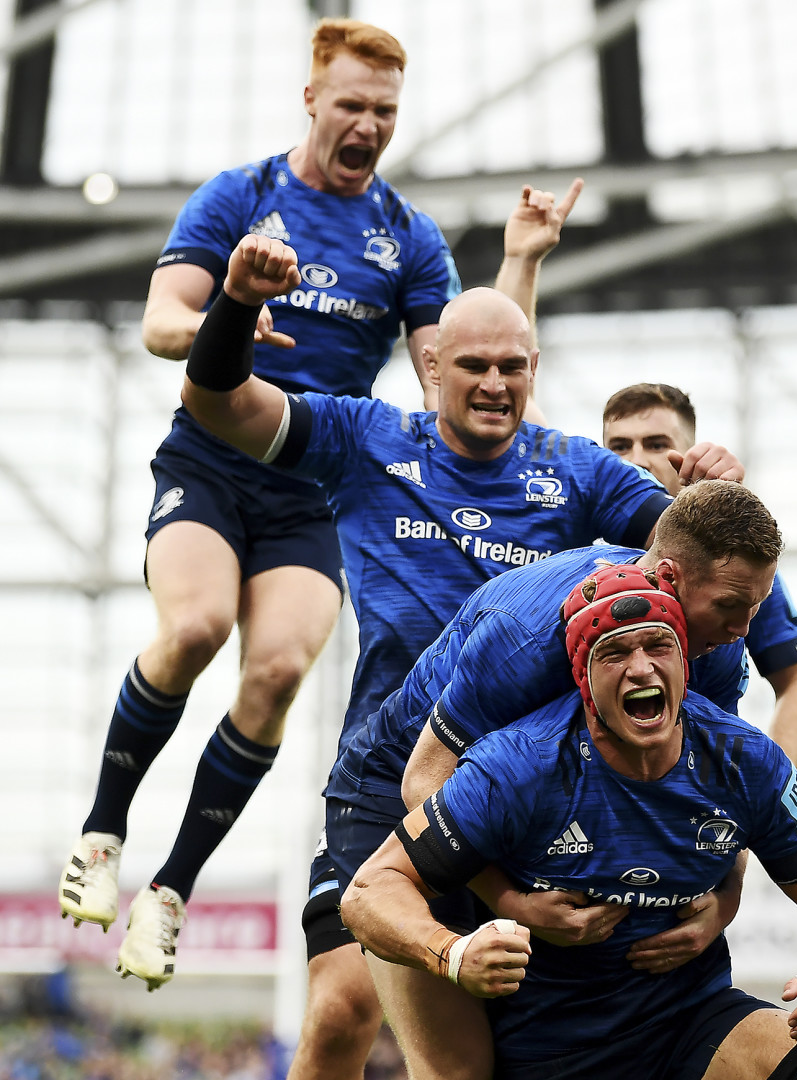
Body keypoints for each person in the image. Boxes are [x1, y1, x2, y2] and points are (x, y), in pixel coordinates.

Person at [56, 16, 578, 1000]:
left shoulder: (408, 238)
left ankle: (170, 889)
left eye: (385, 111)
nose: (368, 125)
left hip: (312, 493)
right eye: (351, 105)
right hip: (213, 463)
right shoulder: (243, 197)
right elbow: (163, 322)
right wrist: (233, 307)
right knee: (199, 626)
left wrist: (520, 266)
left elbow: (463, 376)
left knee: (283, 666)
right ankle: (102, 829)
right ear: (311, 101)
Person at [172, 234, 744, 1078]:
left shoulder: (578, 470)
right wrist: (235, 302)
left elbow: (690, 567)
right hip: (391, 771)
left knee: (501, 1052)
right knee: (340, 1012)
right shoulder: (363, 438)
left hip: (525, 794)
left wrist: (711, 489)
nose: (493, 383)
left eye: (512, 367)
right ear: (430, 364)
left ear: (534, 371)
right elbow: (215, 399)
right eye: (471, 364)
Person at [340, 562, 797, 1080]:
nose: (642, 667)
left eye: (658, 646)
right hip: (547, 1046)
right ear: (583, 677)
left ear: (684, 663)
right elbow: (369, 892)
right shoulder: (519, 766)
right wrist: (453, 953)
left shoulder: (746, 760)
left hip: (693, 1022)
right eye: (615, 652)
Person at [327, 477, 785, 1077]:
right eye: (731, 605)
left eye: (757, 606)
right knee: (458, 1066)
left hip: (514, 805)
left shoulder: (710, 645)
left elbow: (719, 783)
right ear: (670, 578)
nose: (744, 628)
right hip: (397, 790)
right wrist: (511, 900)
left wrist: (724, 897)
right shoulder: (526, 639)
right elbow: (424, 781)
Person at [602, 382, 797, 764]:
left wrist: (768, 790)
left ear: (687, 455)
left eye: (655, 444)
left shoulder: (738, 574)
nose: (635, 460)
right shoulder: (585, 555)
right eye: (619, 446)